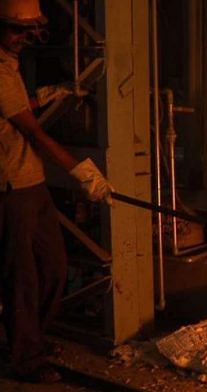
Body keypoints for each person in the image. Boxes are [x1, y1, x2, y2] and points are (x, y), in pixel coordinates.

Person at [0, 0, 113, 383]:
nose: (24, 38)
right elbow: (32, 130)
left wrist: (52, 92)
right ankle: (25, 358)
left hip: (32, 181)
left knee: (53, 267)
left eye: (29, 31)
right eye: (17, 30)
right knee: (22, 276)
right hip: (11, 187)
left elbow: (19, 108)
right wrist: (82, 172)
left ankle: (32, 337)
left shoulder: (9, 63)